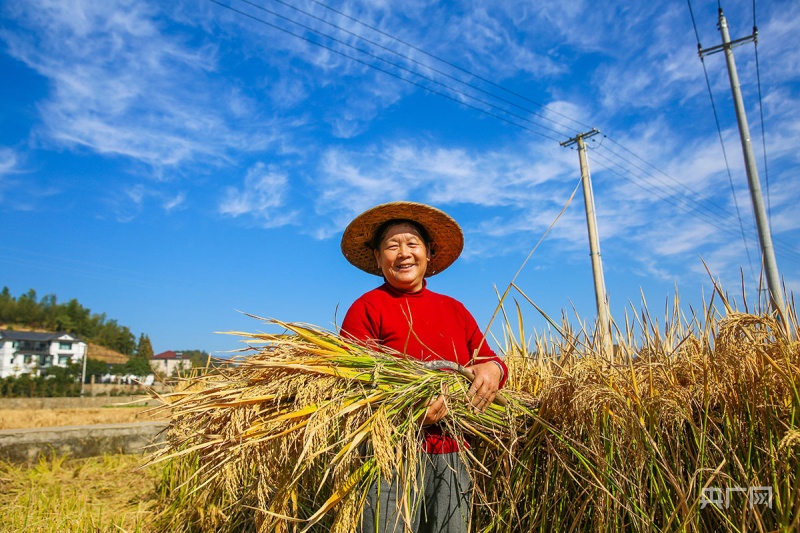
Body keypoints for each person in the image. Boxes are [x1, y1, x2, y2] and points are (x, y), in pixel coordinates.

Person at [339, 201, 508, 533]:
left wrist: (494, 370)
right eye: (392, 246)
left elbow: (488, 360)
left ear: (429, 253)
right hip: (390, 453)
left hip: (453, 454)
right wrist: (409, 412)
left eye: (412, 244)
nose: (404, 253)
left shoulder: (454, 310)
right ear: (377, 258)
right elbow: (351, 385)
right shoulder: (367, 308)